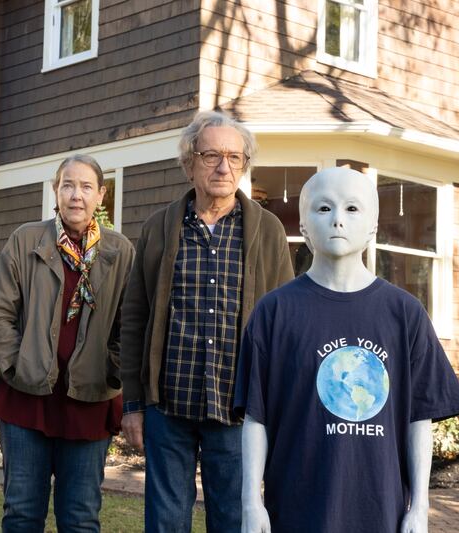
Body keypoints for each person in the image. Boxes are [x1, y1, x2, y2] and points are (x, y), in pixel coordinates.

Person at [234, 167, 459, 533]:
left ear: (373, 227)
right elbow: (255, 418)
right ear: (304, 225)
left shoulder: (405, 314)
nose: (338, 220)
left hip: (381, 511)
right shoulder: (274, 312)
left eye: (352, 209)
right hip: (296, 510)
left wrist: (420, 508)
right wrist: (251, 502)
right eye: (324, 209)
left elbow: (418, 420)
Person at [119, 110, 293, 532]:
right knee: (165, 523)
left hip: (237, 409)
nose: (223, 167)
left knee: (233, 521)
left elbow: (286, 323)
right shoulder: (159, 228)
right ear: (189, 162)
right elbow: (134, 318)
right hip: (169, 406)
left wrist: (279, 404)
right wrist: (133, 404)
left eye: (234, 157)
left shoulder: (267, 231)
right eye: (212, 154)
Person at [0, 154, 134, 532]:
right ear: (55, 190)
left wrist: (113, 369)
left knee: (81, 519)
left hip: (90, 401)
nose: (76, 195)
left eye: (85, 187)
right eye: (68, 185)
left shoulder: (120, 251)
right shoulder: (26, 240)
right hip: (25, 398)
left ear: (101, 195)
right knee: (21, 514)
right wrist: (15, 364)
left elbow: (130, 325)